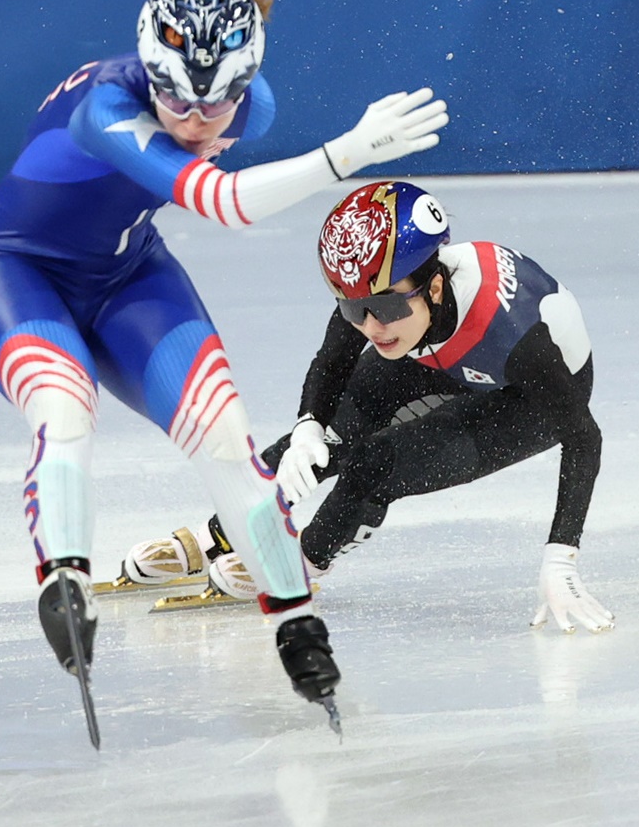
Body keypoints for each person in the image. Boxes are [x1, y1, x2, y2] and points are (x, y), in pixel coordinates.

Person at [0, 0, 449, 705]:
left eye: (215, 100)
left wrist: (295, 620)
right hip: (16, 273)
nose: (194, 119)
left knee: (228, 442)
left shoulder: (254, 105)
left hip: (126, 271)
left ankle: (295, 621)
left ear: (245, 80)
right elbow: (224, 202)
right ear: (149, 71)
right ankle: (64, 582)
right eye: (176, 97)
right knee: (64, 411)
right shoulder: (106, 111)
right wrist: (342, 156)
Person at [121, 180, 613, 635]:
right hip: (436, 353)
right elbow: (332, 361)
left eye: (387, 307)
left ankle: (301, 565)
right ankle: (220, 536)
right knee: (317, 444)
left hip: (525, 399)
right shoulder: (380, 293)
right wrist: (309, 427)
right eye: (354, 309)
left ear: (435, 286)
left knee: (375, 464)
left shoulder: (520, 333)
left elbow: (584, 437)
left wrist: (560, 557)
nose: (373, 325)